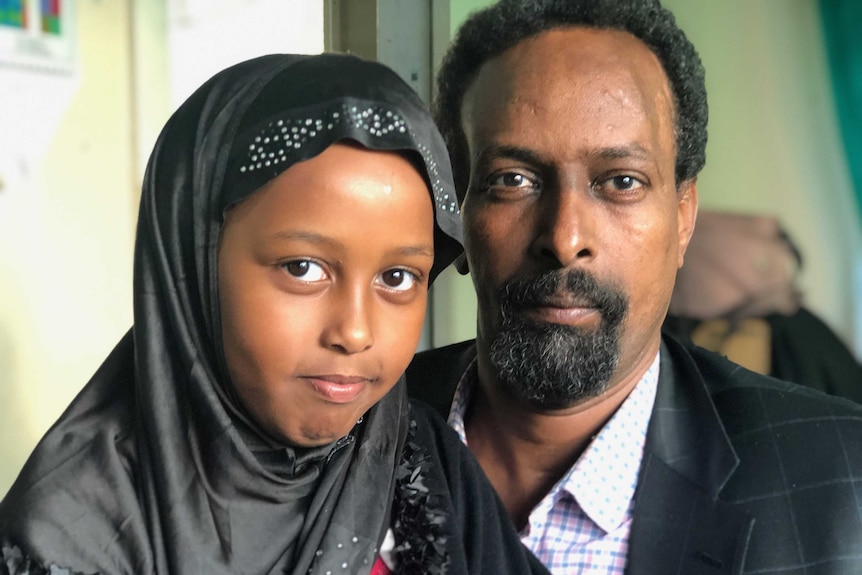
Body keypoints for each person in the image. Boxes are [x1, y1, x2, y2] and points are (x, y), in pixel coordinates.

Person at [0, 53, 550, 575]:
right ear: (193, 269)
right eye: (303, 268)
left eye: (397, 278)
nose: (355, 332)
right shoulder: (70, 536)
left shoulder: (422, 464)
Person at [407, 0, 862, 573]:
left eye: (621, 181)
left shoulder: (843, 486)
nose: (565, 237)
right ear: (458, 212)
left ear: (684, 217)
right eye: (512, 180)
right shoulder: (347, 435)